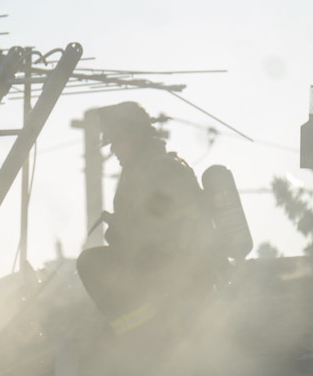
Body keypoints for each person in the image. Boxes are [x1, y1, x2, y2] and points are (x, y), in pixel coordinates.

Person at [77, 102, 215, 337]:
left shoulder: (161, 171)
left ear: (135, 136)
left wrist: (122, 231)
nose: (113, 150)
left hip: (178, 272)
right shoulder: (141, 170)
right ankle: (137, 328)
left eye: (116, 141)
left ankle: (141, 332)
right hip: (164, 268)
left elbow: (158, 229)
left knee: (92, 263)